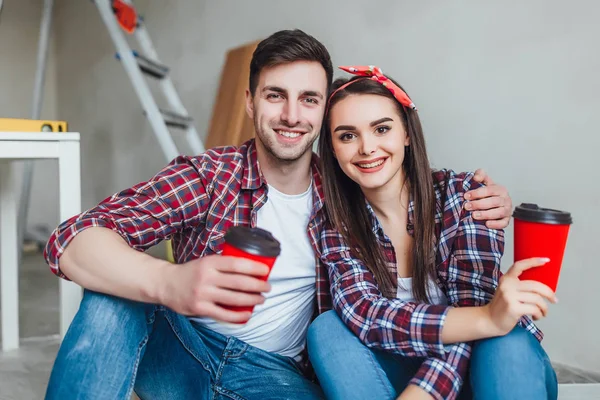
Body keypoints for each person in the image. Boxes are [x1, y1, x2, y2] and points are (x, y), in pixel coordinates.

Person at [42, 32, 512, 400]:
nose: (292, 115)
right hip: (182, 355)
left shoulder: (350, 186)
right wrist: (169, 283)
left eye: (309, 99)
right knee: (113, 294)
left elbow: (409, 178)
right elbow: (73, 237)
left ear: (325, 109)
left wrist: (483, 197)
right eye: (274, 96)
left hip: (277, 377)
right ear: (250, 102)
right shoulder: (210, 177)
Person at [306, 65, 558, 400]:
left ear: (407, 133)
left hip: (491, 367)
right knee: (327, 330)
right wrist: (486, 318)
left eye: (381, 129)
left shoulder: (466, 195)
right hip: (401, 371)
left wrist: (424, 393)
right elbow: (366, 315)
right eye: (347, 135)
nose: (367, 148)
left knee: (503, 339)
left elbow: (481, 318)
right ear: (333, 149)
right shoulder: (333, 224)